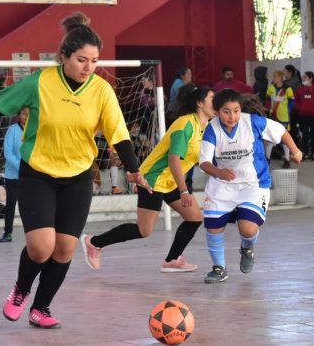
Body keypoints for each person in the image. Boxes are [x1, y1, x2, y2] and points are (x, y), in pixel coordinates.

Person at [0, 12, 147, 329]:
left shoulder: (102, 90)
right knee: (41, 248)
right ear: (64, 56)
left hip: (78, 177)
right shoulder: (40, 82)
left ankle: (41, 308)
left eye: (94, 61)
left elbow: (118, 134)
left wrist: (133, 170)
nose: (88, 67)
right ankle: (20, 290)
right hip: (37, 174)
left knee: (65, 248)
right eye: (81, 60)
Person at [81, 84, 215, 273]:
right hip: (153, 178)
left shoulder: (206, 127)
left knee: (194, 218)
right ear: (200, 103)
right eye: (212, 99)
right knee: (144, 230)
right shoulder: (185, 124)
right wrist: (184, 190)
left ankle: (172, 260)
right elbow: (174, 159)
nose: (217, 103)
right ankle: (94, 242)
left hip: (170, 181)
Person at [199, 90, 302, 283]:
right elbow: (204, 162)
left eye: (236, 111)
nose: (232, 116)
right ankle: (219, 268)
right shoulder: (212, 129)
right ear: (217, 112)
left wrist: (295, 151)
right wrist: (218, 172)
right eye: (226, 112)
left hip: (253, 183)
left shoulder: (253, 122)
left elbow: (281, 131)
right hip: (222, 183)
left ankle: (247, 247)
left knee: (247, 229)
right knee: (213, 227)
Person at [0, 107, 29, 243]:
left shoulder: (35, 129)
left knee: (30, 205)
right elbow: (8, 152)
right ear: (19, 115)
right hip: (13, 175)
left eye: (29, 113)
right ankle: (7, 233)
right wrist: (21, 167)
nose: (26, 116)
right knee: (11, 203)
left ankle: (31, 233)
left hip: (31, 175)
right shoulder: (12, 130)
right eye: (24, 113)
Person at [265, 70, 295, 168]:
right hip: (273, 117)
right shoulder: (270, 88)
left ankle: (287, 160)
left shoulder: (288, 89)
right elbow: (268, 100)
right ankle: (267, 160)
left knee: (285, 140)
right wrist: (267, 109)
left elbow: (292, 102)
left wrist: (288, 111)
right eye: (273, 76)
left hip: (284, 118)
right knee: (270, 139)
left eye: (275, 76)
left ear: (281, 78)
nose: (273, 78)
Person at [294, 71, 314, 160]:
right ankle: (305, 153)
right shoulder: (300, 88)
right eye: (303, 77)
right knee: (304, 134)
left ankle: (313, 153)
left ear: (311, 78)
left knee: (313, 133)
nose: (303, 78)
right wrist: (300, 108)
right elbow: (296, 100)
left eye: (305, 77)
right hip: (303, 115)